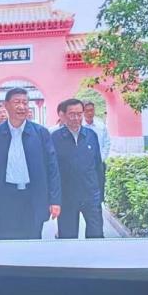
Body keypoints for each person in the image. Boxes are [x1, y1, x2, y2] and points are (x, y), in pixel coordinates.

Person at [0, 88, 61, 240]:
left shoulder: (41, 133)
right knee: (3, 241)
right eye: (17, 102)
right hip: (4, 198)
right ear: (6, 105)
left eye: (25, 102)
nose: (22, 106)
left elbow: (52, 168)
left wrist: (55, 200)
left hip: (32, 197)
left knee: (31, 242)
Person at [51, 98, 104, 239]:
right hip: (67, 197)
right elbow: (52, 171)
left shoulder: (91, 135)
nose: (76, 118)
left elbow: (98, 166)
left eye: (79, 114)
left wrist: (100, 194)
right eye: (72, 114)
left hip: (91, 195)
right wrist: (54, 199)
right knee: (68, 238)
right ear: (63, 115)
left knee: (96, 235)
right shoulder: (54, 138)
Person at [82, 101, 111, 202]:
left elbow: (107, 143)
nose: (90, 113)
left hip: (99, 163)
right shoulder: (80, 127)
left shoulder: (101, 126)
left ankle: (99, 205)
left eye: (92, 110)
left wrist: (101, 158)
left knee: (99, 187)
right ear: (83, 112)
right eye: (87, 111)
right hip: (84, 164)